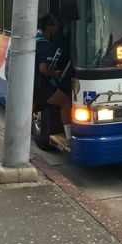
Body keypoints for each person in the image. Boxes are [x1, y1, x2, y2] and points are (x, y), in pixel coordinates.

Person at [34, 13, 72, 151]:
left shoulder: (34, 39)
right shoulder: (45, 44)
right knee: (66, 102)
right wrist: (54, 73)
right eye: (55, 24)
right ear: (49, 27)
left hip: (30, 85)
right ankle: (69, 138)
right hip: (41, 86)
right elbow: (43, 69)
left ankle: (20, 144)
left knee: (28, 115)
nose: (57, 27)